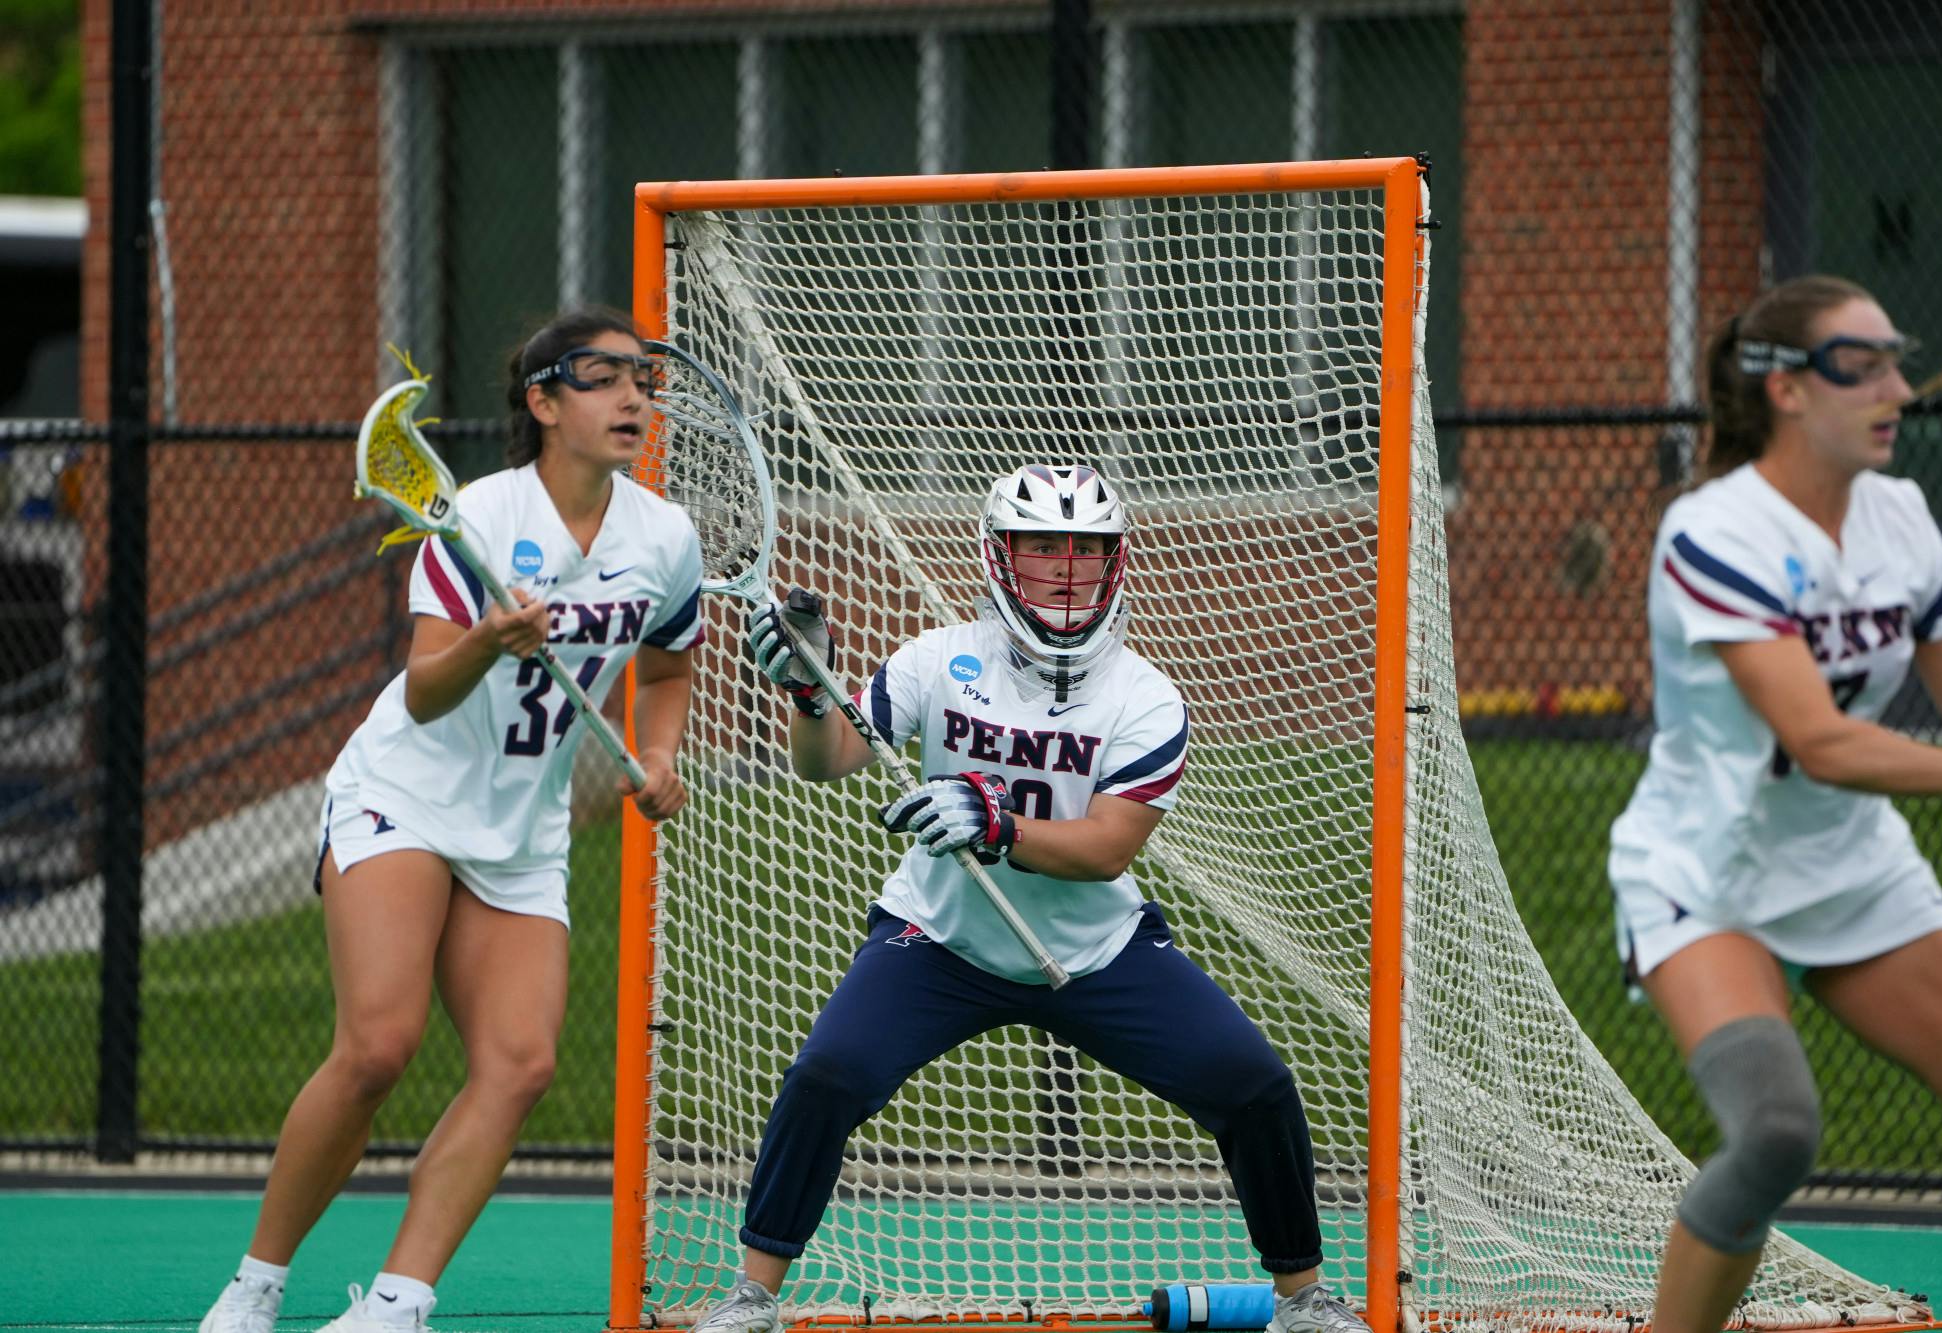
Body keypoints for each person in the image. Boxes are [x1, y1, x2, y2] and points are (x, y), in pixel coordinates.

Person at [688, 463, 1368, 1333]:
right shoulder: (936, 660)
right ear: (1000, 554)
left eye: (1088, 547)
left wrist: (996, 823)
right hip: (940, 939)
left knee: (1254, 1083)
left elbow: (1107, 847)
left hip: (1094, 950)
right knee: (828, 1073)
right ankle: (754, 1295)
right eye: (1043, 544)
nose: (1066, 566)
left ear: (1116, 560)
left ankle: (1303, 1298)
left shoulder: (1146, 697)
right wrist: (808, 692)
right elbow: (825, 761)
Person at [199, 306, 706, 1333]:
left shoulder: (665, 535)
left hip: (521, 828)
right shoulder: (479, 515)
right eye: (602, 378)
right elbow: (426, 688)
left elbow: (669, 664)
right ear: (542, 401)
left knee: (520, 1063)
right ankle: (255, 1284)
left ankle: (397, 1302)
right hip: (408, 793)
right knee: (378, 1045)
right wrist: (489, 639)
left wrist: (656, 755)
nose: (631, 399)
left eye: (641, 380)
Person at [1608, 274, 1942, 1331]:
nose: (1896, 388)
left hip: (1850, 869)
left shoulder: (1901, 518)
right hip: (1705, 876)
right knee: (1776, 1128)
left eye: (1894, 359)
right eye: (1857, 364)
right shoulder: (1712, 531)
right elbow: (1819, 744)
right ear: (1783, 389)